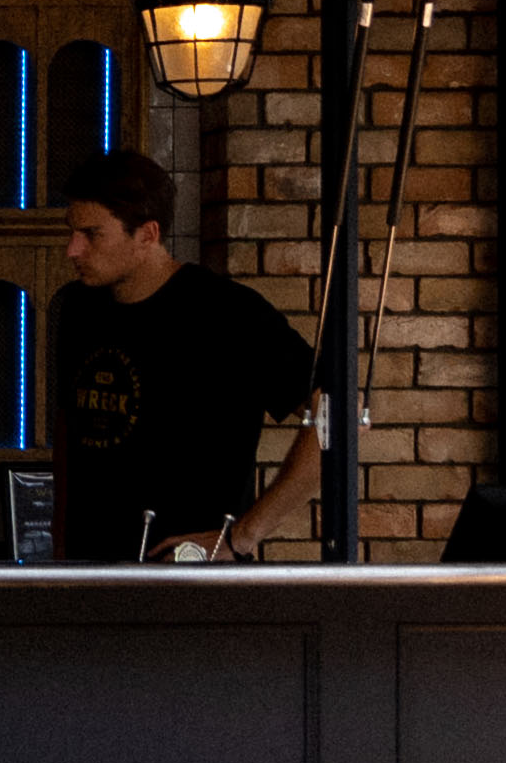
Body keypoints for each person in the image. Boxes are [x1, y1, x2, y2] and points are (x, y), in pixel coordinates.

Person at [45, 147, 320, 562]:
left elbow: (341, 414)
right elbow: (70, 429)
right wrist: (61, 545)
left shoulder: (229, 313)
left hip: (194, 581)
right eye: (72, 231)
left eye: (92, 234)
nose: (73, 249)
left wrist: (242, 536)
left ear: (148, 234)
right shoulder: (77, 309)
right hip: (90, 577)